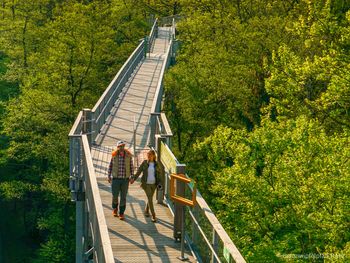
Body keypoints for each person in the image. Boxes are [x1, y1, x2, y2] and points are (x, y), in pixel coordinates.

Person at [131, 150, 164, 222]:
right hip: (146, 184)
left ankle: (146, 210)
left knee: (150, 198)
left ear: (153, 155)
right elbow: (139, 171)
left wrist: (160, 183)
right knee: (150, 199)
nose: (148, 156)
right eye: (148, 154)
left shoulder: (156, 164)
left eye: (150, 154)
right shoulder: (145, 163)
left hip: (154, 184)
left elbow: (160, 175)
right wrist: (134, 179)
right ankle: (154, 215)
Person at [107, 140, 134, 220]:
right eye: (120, 146)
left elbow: (131, 167)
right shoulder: (114, 155)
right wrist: (108, 176)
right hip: (115, 179)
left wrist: (132, 177)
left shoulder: (128, 156)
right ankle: (115, 208)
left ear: (124, 147)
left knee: (123, 197)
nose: (121, 148)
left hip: (125, 180)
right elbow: (110, 166)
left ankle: (121, 213)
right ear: (117, 147)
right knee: (115, 195)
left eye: (122, 146)